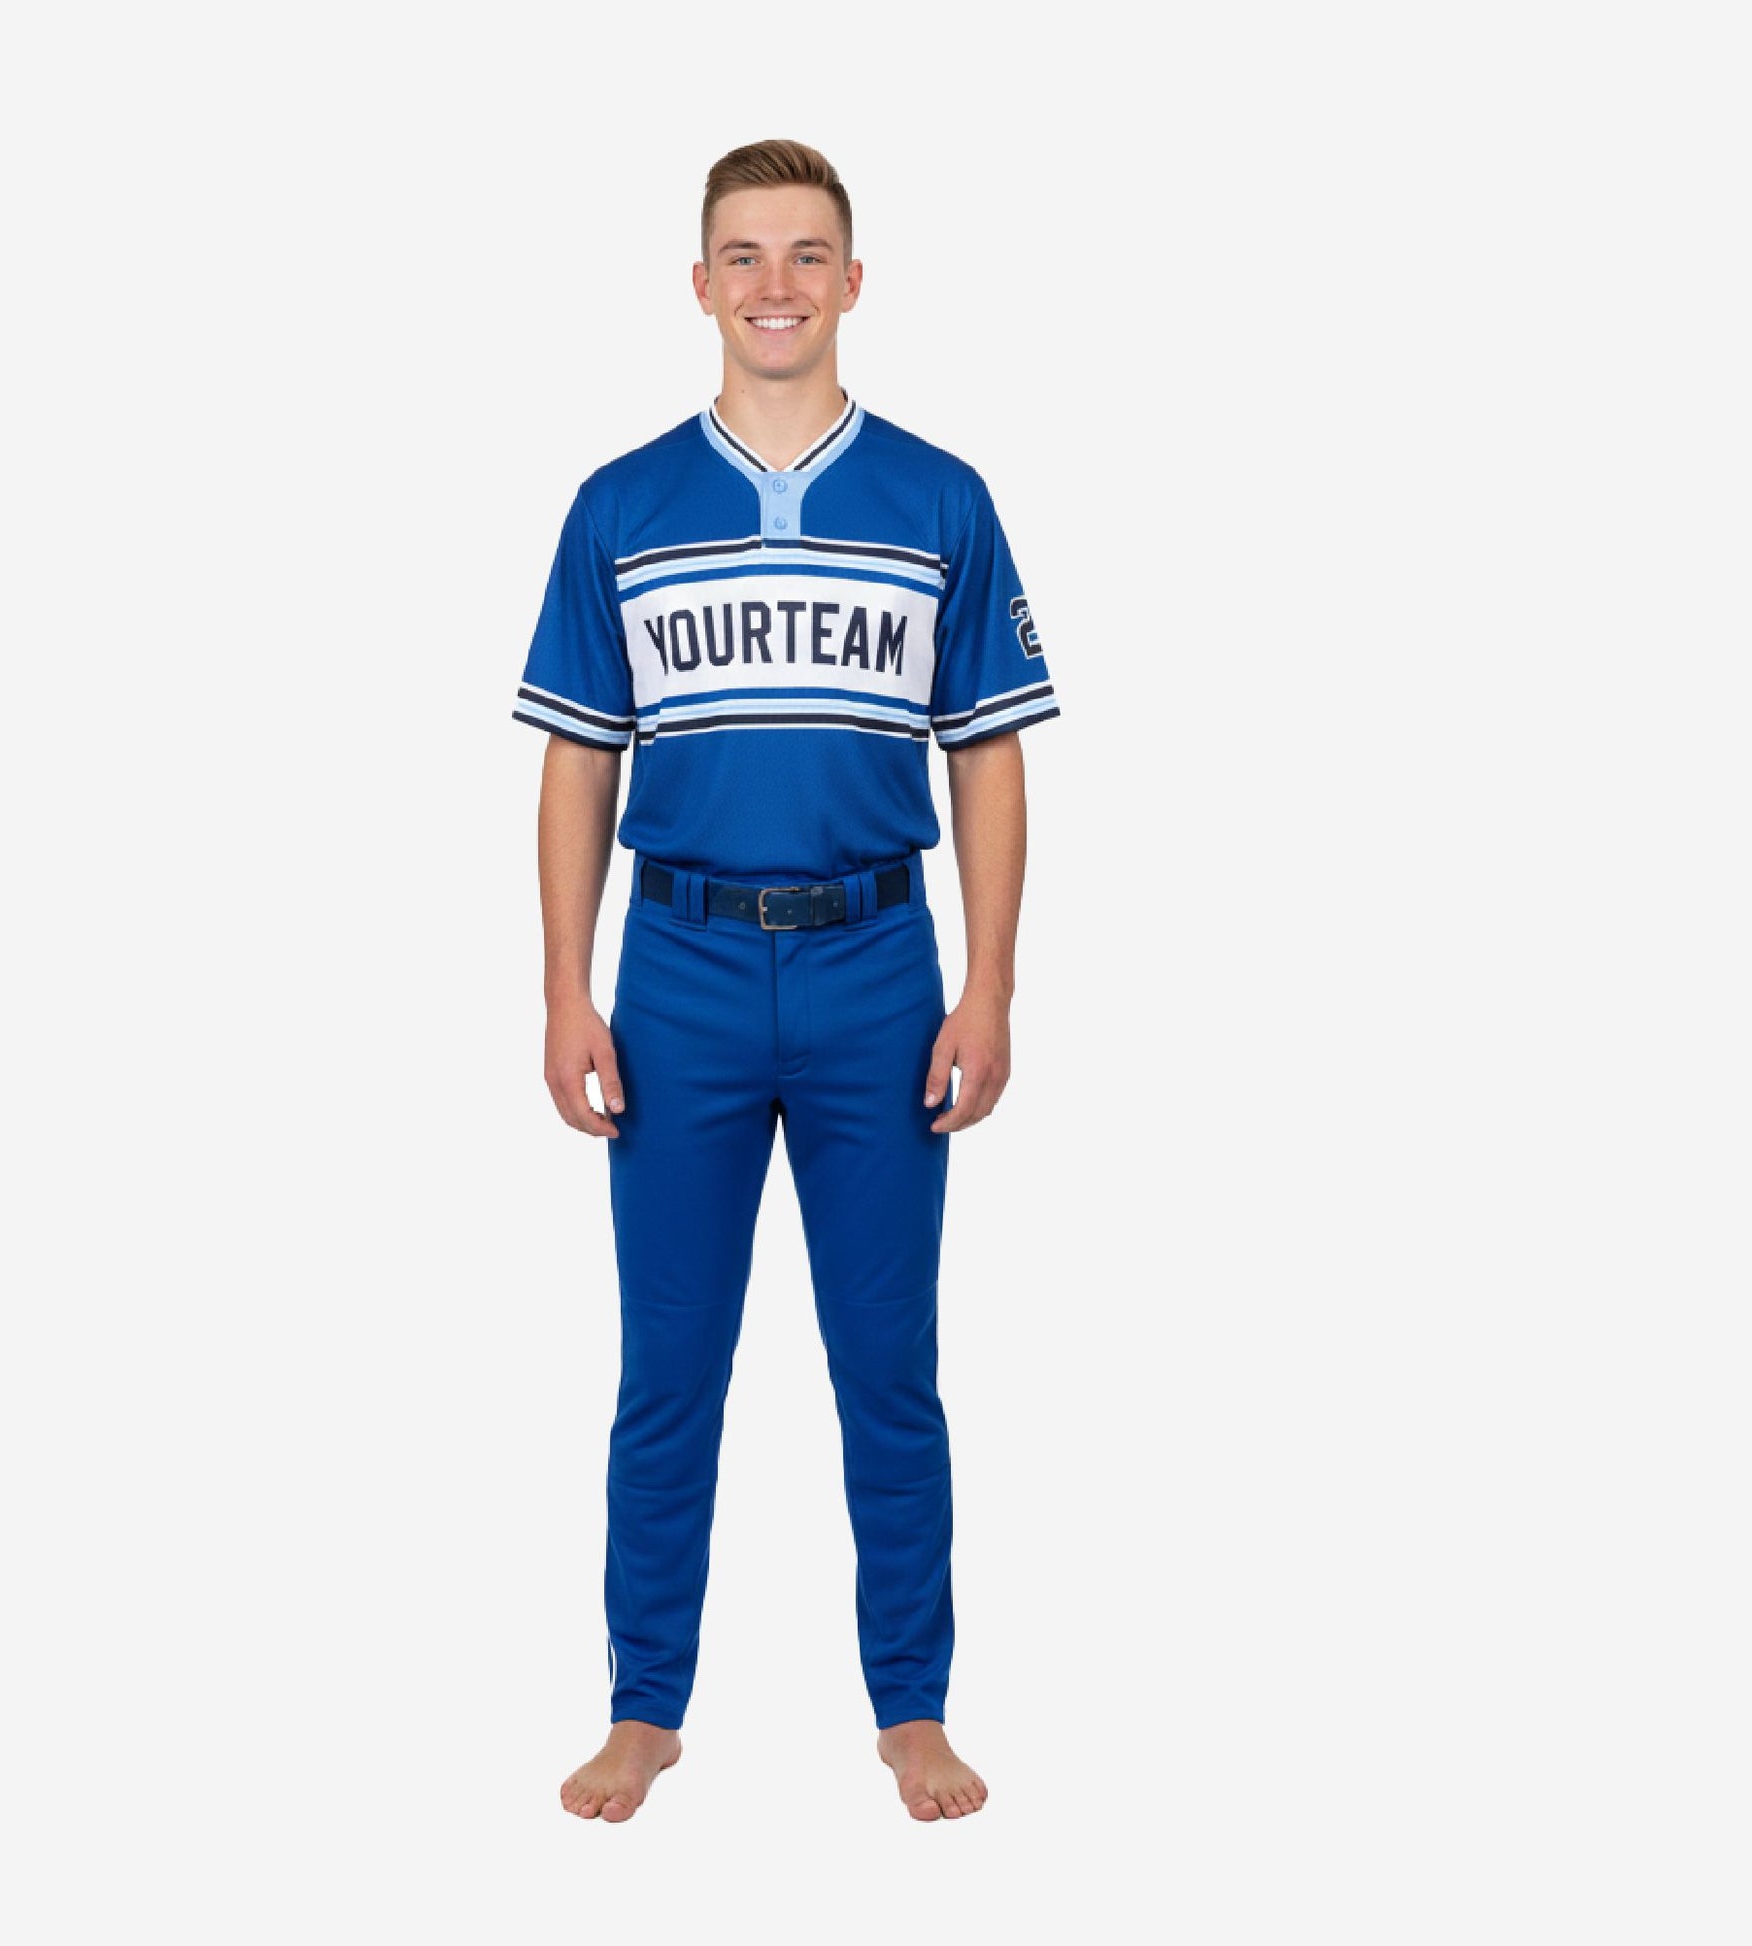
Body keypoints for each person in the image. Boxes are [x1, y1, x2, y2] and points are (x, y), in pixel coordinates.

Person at [513, 138, 1058, 1823]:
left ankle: (912, 1705)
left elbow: (985, 756)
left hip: (875, 967)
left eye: (806, 254)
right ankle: (643, 1704)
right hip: (672, 966)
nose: (774, 285)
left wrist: (989, 985)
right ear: (698, 284)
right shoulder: (620, 505)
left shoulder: (937, 497)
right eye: (743, 256)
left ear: (853, 281)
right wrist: (564, 989)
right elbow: (576, 762)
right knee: (668, 1364)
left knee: (885, 1360)